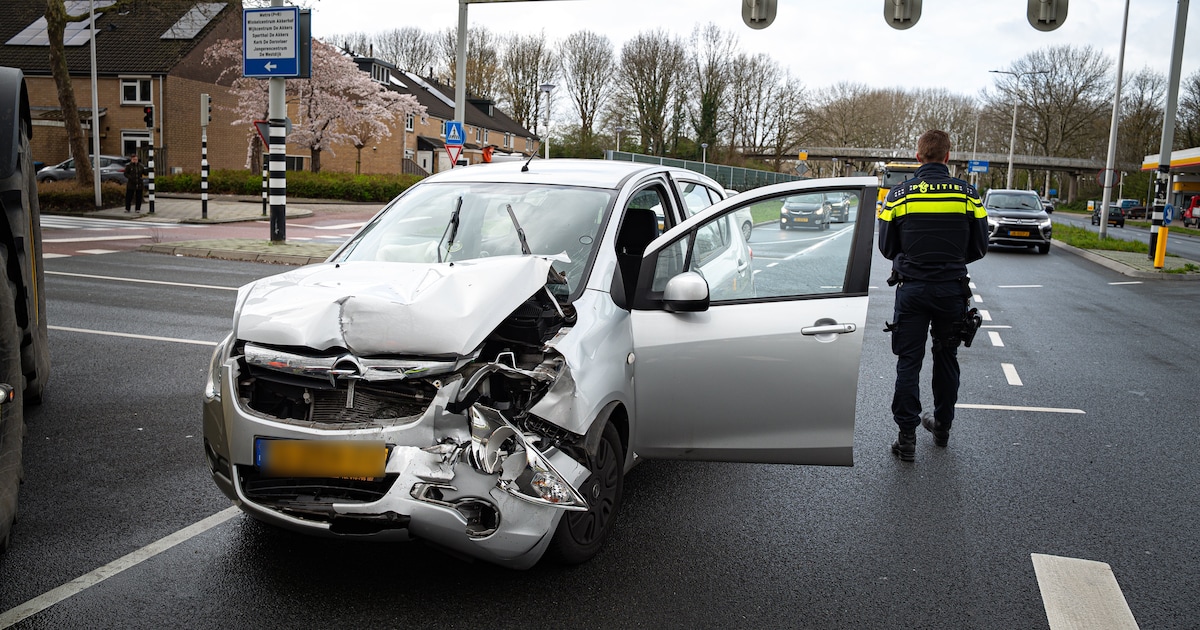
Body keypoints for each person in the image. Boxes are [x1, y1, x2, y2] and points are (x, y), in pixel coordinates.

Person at [877, 129, 988, 462]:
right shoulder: (969, 194)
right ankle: (942, 427)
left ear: (918, 156)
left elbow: (886, 247)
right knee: (946, 357)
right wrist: (949, 262)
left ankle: (906, 437)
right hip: (951, 290)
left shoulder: (898, 195)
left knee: (908, 362)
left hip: (911, 289)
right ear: (948, 156)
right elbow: (980, 247)